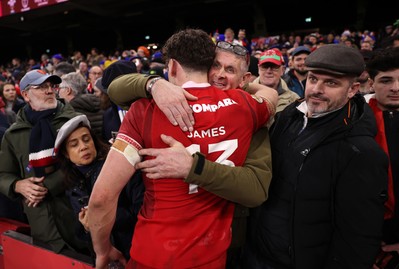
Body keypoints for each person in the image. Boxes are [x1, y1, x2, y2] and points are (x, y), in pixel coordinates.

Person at [88, 28, 275, 269]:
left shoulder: (145, 110)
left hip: (153, 254)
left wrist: (102, 249)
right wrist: (154, 84)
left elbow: (102, 198)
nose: (221, 75)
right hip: (211, 257)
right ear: (208, 66)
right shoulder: (246, 107)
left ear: (173, 67)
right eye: (219, 67)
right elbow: (269, 95)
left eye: (230, 71)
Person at [242, 44, 389, 268]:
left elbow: (358, 238)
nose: (317, 89)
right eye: (313, 79)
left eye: (331, 82)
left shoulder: (361, 151)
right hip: (257, 255)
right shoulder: (289, 116)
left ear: (352, 89)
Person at [0, 69, 86, 254]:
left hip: (79, 219)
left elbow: (88, 163)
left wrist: (46, 186)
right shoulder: (13, 134)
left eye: (51, 86)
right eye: (41, 87)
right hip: (42, 225)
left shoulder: (73, 121)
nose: (49, 91)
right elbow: (3, 174)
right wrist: (18, 185)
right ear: (25, 95)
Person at [53, 114, 140, 260]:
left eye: (87, 139)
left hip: (134, 250)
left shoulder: (119, 167)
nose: (83, 146)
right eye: (74, 145)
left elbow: (140, 210)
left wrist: (100, 219)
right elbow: (82, 231)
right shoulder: (72, 185)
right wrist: (87, 228)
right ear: (66, 154)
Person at [364, 47, 399, 266]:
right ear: (371, 83)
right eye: (386, 80)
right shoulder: (353, 119)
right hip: (365, 236)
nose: (396, 88)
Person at [254, 49, 300, 114]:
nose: (268, 71)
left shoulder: (294, 99)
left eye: (274, 67)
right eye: (264, 67)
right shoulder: (245, 95)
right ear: (258, 69)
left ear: (282, 70)